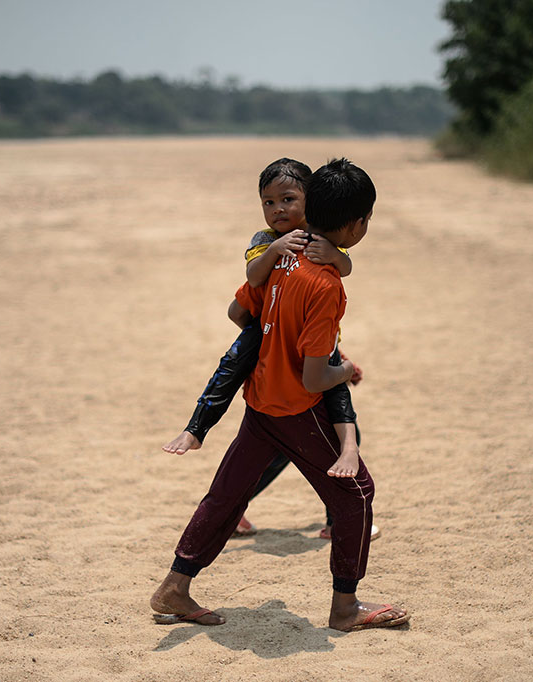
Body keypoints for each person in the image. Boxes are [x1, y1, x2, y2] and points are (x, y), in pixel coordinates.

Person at [151, 158, 408, 632]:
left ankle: (175, 587)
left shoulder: (277, 257)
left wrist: (274, 329)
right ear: (356, 224)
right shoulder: (325, 284)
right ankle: (345, 608)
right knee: (357, 496)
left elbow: (238, 308)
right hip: (294, 407)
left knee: (227, 495)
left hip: (260, 398)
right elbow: (314, 379)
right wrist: (345, 368)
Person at [162, 158, 379, 540]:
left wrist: (337, 257)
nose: (278, 209)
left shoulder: (318, 242)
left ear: (312, 203)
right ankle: (199, 430)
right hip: (272, 338)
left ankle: (314, 517)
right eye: (268, 202)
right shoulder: (267, 242)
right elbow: (249, 286)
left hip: (304, 348)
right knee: (241, 382)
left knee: (284, 446)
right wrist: (276, 252)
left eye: (288, 199)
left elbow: (342, 269)